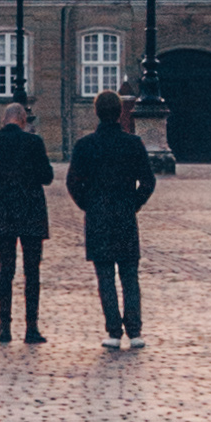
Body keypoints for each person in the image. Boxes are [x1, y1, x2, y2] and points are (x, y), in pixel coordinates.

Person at [65, 90, 156, 347]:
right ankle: (135, 331)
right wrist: (133, 204)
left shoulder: (85, 145)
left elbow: (72, 182)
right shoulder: (133, 143)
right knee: (129, 275)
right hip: (125, 215)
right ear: (120, 112)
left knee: (105, 276)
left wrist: (88, 205)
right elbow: (148, 181)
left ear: (96, 112)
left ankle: (114, 332)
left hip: (98, 217)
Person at [0, 101, 53, 343]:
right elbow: (47, 177)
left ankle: (4, 327)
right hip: (31, 213)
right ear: (22, 119)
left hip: (2, 213)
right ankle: (31, 327)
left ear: (4, 119)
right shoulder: (34, 142)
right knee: (32, 272)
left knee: (5, 271)